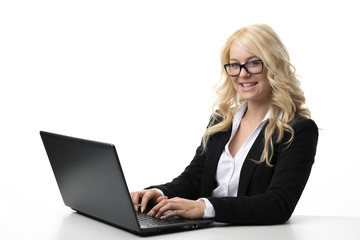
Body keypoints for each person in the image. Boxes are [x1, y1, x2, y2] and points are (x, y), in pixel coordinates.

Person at [130, 24, 318, 225]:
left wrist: (205, 208)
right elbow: (194, 179)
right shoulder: (222, 121)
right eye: (235, 65)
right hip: (209, 233)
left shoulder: (297, 130)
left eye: (254, 63)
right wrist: (155, 193)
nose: (242, 74)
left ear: (274, 65)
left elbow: (279, 204)